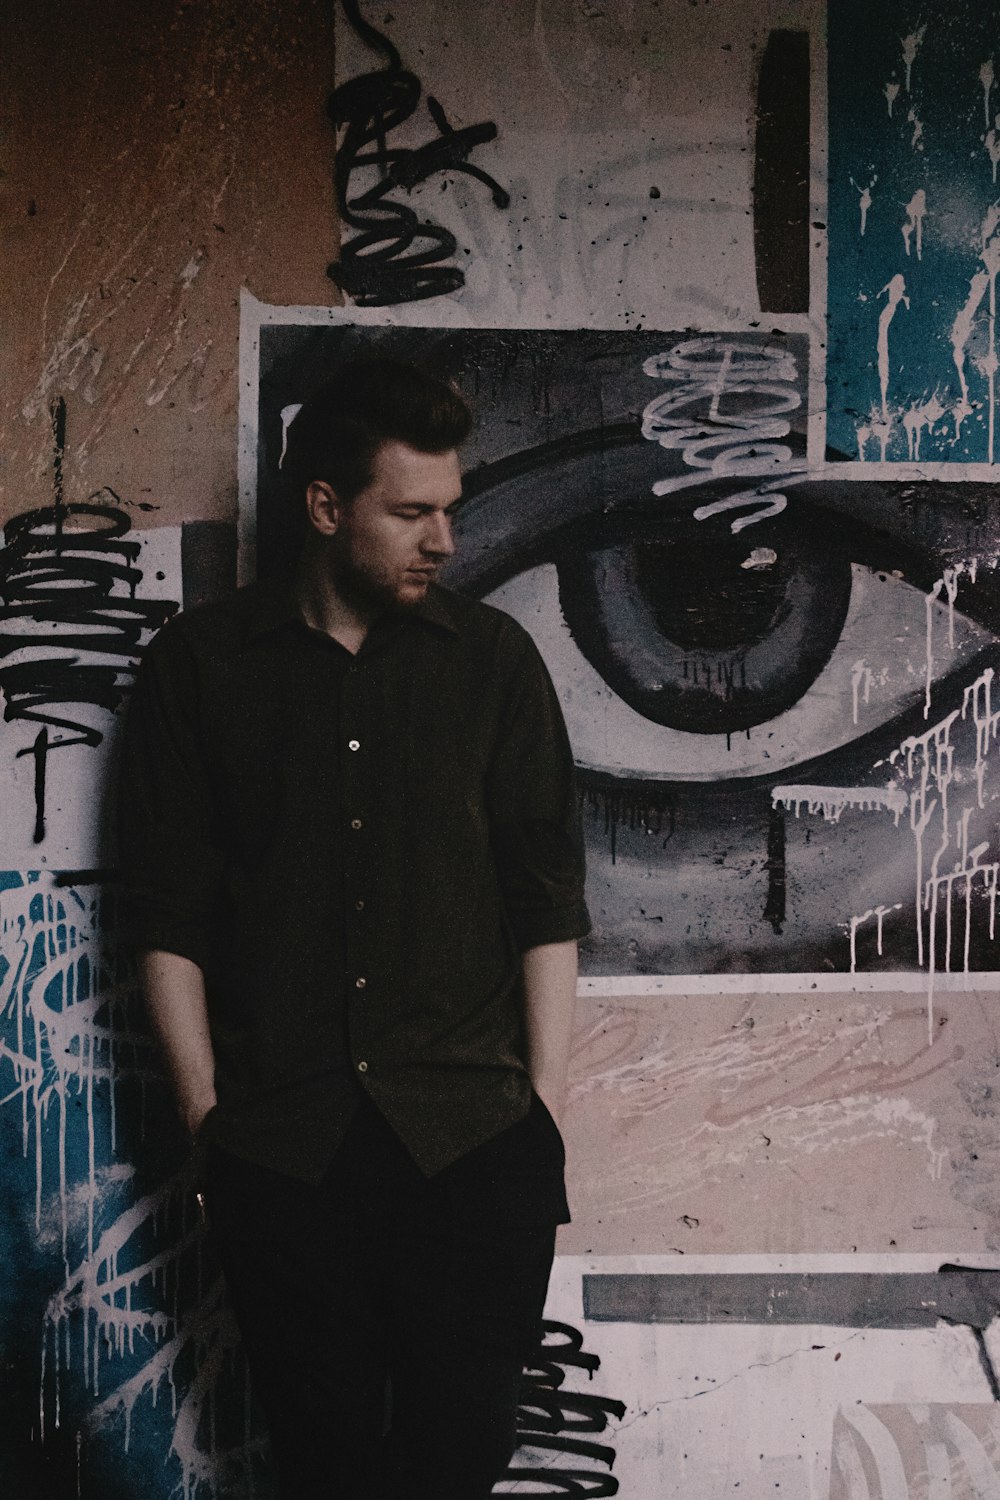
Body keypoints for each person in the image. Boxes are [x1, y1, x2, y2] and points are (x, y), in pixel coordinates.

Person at [117, 357, 591, 1499]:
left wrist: (540, 1119)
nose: (445, 540)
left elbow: (547, 909)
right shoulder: (204, 668)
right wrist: (206, 1118)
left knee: (452, 1468)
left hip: (472, 1151)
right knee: (320, 1471)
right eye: (412, 512)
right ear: (326, 508)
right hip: (284, 1155)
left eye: (451, 512)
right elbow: (165, 919)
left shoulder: (494, 668)